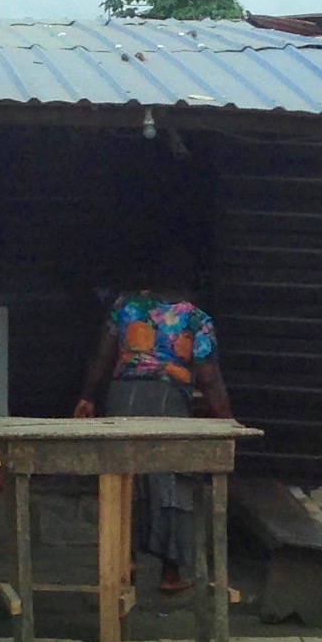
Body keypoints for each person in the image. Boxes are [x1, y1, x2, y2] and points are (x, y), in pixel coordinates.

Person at [78, 249, 233, 595]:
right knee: (170, 481)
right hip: (167, 400)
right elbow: (209, 379)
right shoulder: (196, 320)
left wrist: (87, 396)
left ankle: (125, 559)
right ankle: (171, 573)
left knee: (123, 476)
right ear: (192, 283)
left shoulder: (126, 306)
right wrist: (226, 421)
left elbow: (102, 356)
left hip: (120, 396)